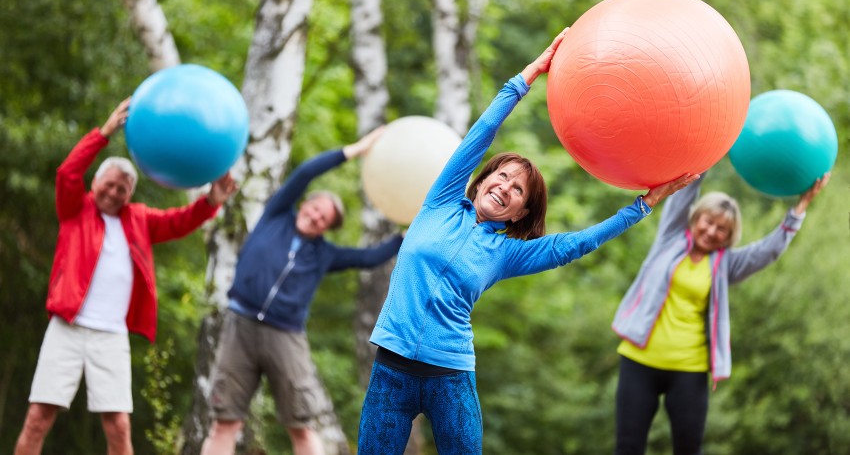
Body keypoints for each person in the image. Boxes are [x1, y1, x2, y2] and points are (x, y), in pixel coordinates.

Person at [355, 27, 699, 455]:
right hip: (392, 367)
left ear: (519, 213)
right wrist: (527, 77)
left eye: (518, 190)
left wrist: (642, 206)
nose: (505, 187)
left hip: (450, 374)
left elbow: (574, 245)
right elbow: (482, 133)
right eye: (502, 176)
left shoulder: (505, 253)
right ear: (482, 181)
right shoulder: (439, 203)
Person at [14, 98, 238, 455]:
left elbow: (179, 222)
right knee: (39, 415)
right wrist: (103, 134)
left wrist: (212, 200)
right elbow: (67, 174)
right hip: (67, 328)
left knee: (118, 425)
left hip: (112, 334)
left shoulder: (139, 219)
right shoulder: (75, 209)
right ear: (97, 183)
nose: (114, 192)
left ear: (130, 195)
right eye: (110, 184)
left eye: (123, 189)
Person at [200, 127, 404, 455]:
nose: (315, 217)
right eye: (314, 209)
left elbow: (368, 258)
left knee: (301, 424)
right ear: (304, 205)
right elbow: (306, 171)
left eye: (323, 218)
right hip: (240, 325)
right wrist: (354, 150)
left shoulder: (324, 254)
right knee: (225, 421)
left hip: (285, 337)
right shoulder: (276, 215)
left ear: (327, 228)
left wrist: (403, 237)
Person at [611, 170, 830, 455]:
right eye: (708, 221)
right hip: (638, 361)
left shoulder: (726, 264)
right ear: (696, 219)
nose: (712, 231)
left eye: (722, 229)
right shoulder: (671, 237)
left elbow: (768, 251)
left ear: (729, 235)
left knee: (689, 449)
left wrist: (799, 208)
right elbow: (684, 194)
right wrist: (705, 155)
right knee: (627, 448)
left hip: (689, 370)